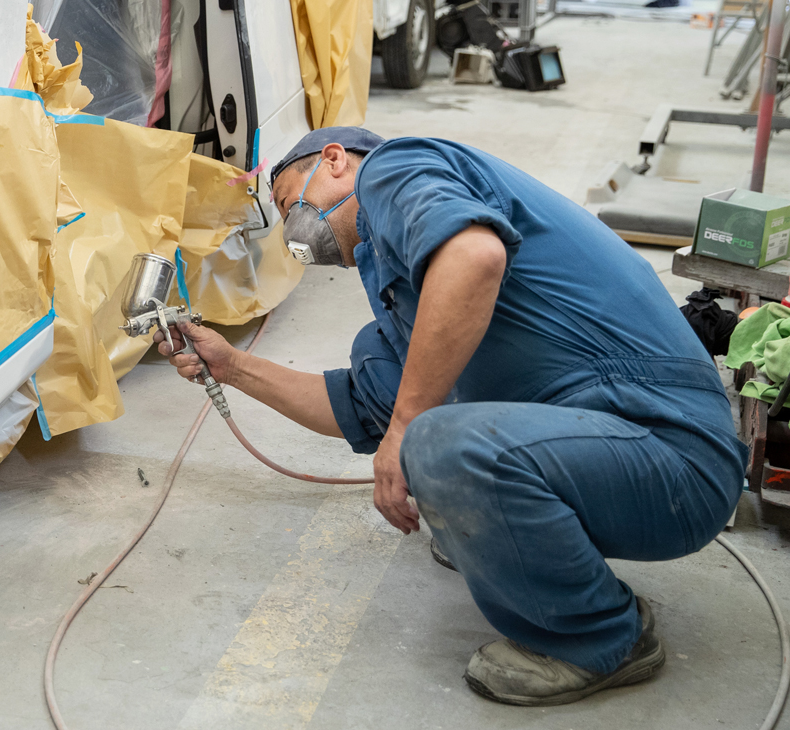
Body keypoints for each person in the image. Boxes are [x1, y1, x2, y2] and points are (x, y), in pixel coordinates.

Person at [154, 127, 746, 706]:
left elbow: (474, 255)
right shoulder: (396, 273)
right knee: (382, 361)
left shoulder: (394, 169)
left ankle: (601, 638)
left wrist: (411, 428)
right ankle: (519, 539)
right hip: (616, 452)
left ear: (335, 159)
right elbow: (361, 409)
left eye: (288, 201)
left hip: (673, 457)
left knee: (437, 441)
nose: (292, 227)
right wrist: (230, 366)